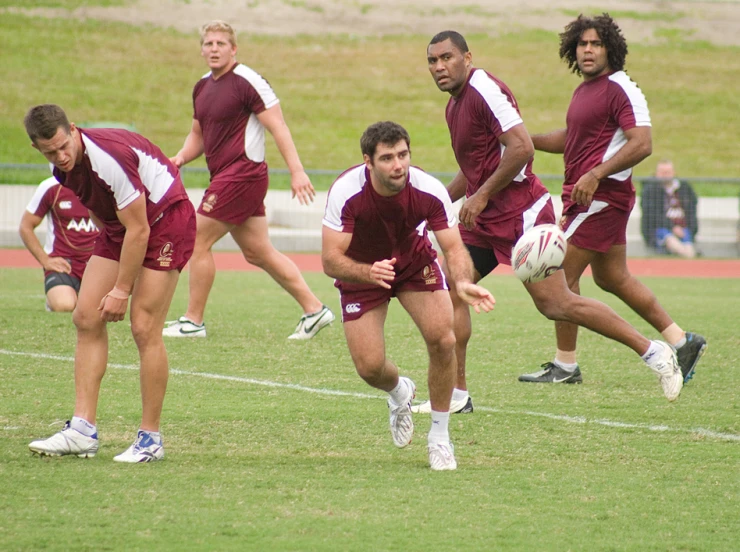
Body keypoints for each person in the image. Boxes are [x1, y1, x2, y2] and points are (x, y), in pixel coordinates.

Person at [415, 29, 684, 413]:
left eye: (447, 58)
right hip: (487, 220)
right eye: (432, 61)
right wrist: (438, 204)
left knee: (556, 304)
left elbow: (522, 146)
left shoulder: (483, 88)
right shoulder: (454, 105)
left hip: (522, 215)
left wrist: (483, 194)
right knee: (450, 285)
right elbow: (473, 169)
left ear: (467, 58)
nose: (439, 66)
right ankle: (456, 395)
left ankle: (653, 351)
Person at [519, 14, 706, 385]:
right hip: (588, 196)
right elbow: (570, 139)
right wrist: (525, 140)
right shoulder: (585, 90)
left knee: (557, 277)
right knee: (612, 277)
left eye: (596, 44)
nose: (588, 50)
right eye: (582, 44)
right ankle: (682, 341)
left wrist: (595, 174)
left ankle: (566, 365)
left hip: (600, 198)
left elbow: (642, 143)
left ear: (611, 48)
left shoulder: (620, 87)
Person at [24, 104, 196, 463]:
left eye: (63, 145)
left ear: (72, 129)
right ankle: (82, 431)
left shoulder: (108, 159)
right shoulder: (61, 168)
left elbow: (141, 229)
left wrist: (121, 289)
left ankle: (151, 440)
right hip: (122, 226)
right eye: (50, 152)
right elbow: (100, 208)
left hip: (165, 219)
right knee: (85, 316)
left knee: (144, 326)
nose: (61, 156)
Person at [322, 121, 495, 471]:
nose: (398, 165)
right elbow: (330, 260)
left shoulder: (428, 189)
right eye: (387, 158)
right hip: (362, 270)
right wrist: (366, 272)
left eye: (403, 155)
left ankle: (440, 438)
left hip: (414, 265)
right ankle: (400, 391)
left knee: (443, 339)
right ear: (367, 162)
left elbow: (454, 247)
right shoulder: (346, 191)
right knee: (370, 368)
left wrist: (461, 282)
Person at [162, 20, 333, 340]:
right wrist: (180, 158)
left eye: (220, 44)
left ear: (234, 48)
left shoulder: (248, 81)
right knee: (258, 252)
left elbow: (278, 126)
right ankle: (315, 310)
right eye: (208, 44)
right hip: (226, 177)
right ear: (201, 49)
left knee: (196, 239)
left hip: (242, 176)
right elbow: (197, 134)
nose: (214, 49)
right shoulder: (201, 86)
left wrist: (297, 171)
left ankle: (193, 321)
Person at [19, 176, 99, 312]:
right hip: (64, 264)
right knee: (64, 305)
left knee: (96, 311)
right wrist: (45, 260)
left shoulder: (104, 183)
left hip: (97, 263)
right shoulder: (51, 186)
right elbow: (26, 226)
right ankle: (55, 299)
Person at [641, 160, 698, 258]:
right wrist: (672, 227)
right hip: (660, 230)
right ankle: (685, 255)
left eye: (667, 172)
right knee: (670, 239)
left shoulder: (685, 188)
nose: (665, 175)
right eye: (662, 172)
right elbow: (652, 215)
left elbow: (692, 211)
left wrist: (689, 229)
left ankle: (689, 257)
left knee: (688, 243)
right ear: (656, 173)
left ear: (674, 173)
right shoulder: (650, 190)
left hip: (683, 228)